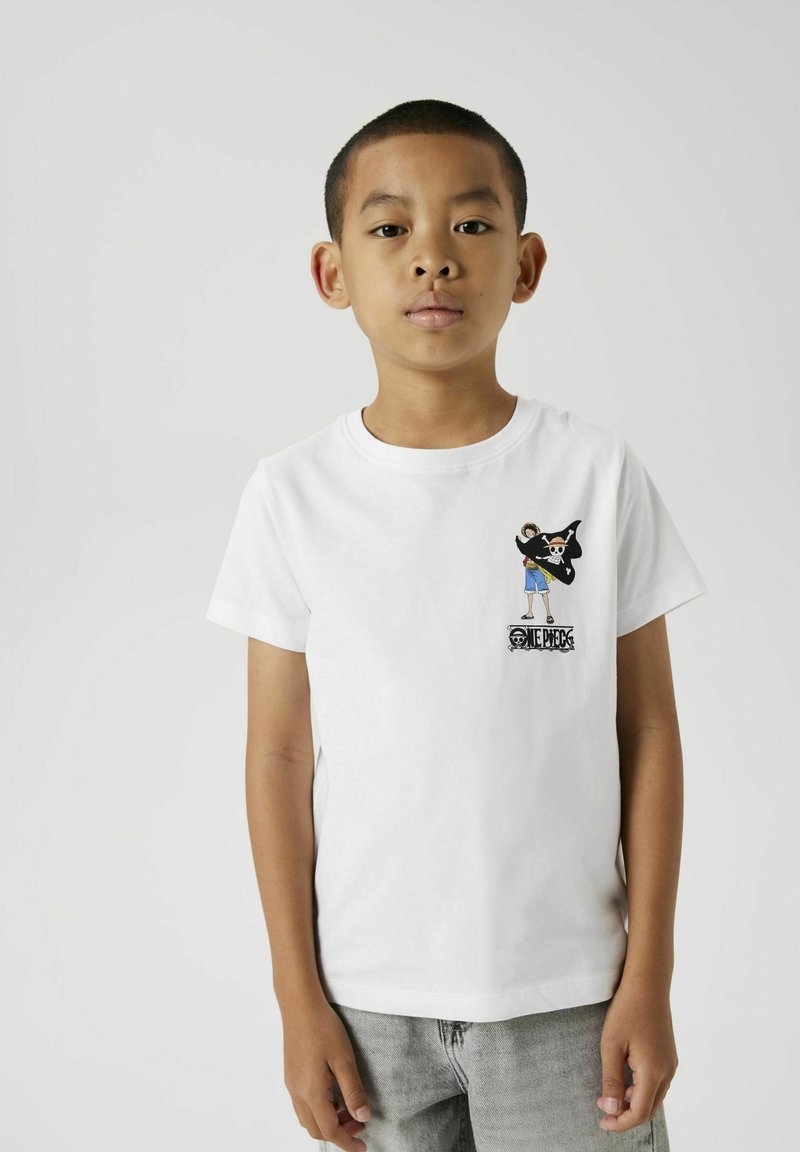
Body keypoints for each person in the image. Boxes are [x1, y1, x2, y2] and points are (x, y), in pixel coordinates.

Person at [206, 98, 707, 1151]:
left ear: (525, 265)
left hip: (569, 998)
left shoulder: (594, 474)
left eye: (471, 225)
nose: (432, 256)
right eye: (390, 228)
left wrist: (648, 975)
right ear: (332, 273)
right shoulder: (291, 494)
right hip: (365, 1006)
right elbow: (278, 754)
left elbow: (648, 731)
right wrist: (298, 1000)